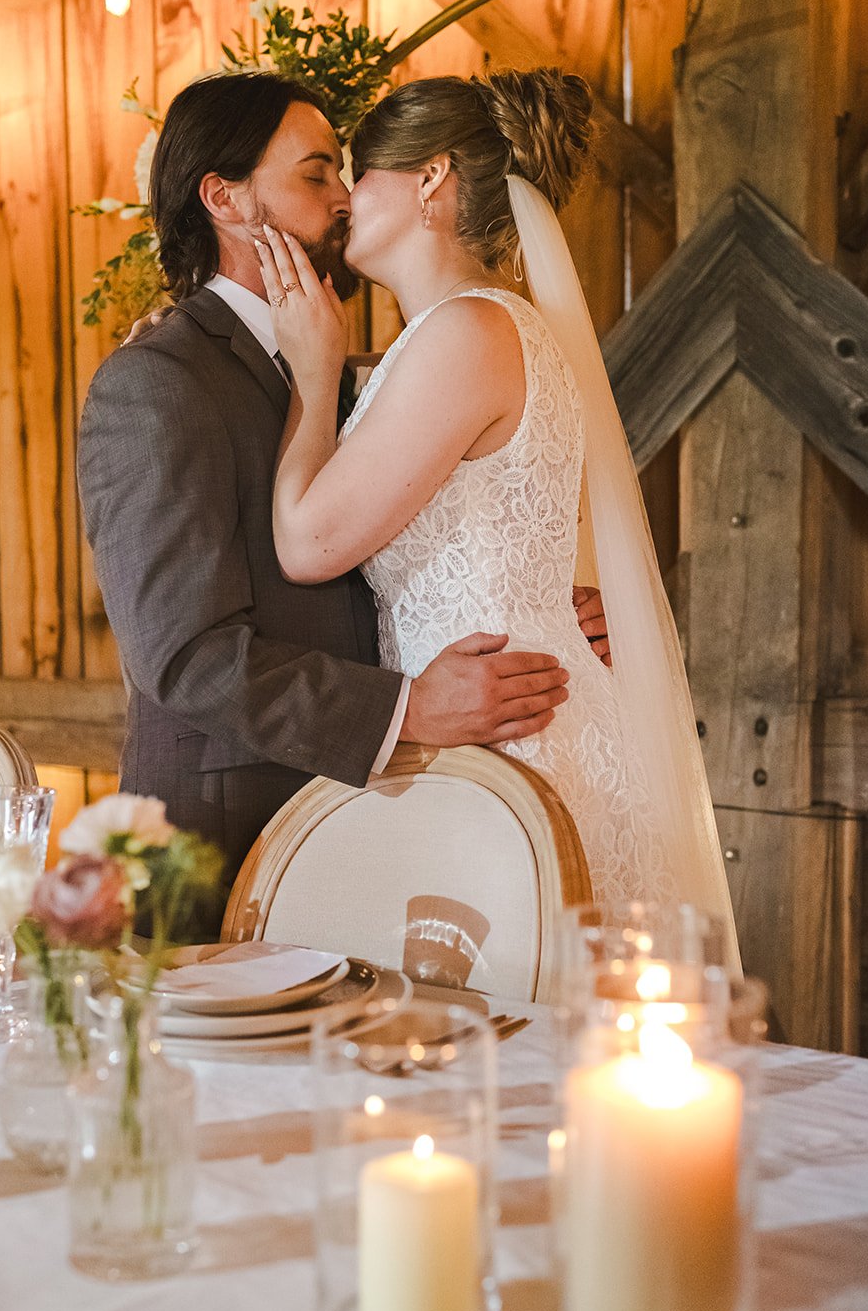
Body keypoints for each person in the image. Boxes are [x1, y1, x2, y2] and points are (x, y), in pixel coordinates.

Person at [78, 70, 603, 935]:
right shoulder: (156, 383)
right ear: (225, 197)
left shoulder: (369, 370)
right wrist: (406, 709)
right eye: (317, 174)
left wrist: (544, 604)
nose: (344, 198)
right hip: (223, 829)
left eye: (348, 174)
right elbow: (182, 657)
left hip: (380, 816)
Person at [261, 69, 738, 956]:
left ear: (431, 179)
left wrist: (315, 368)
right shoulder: (466, 334)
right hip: (489, 721)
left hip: (511, 744)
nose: (344, 201)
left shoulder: (464, 335)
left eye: (362, 172)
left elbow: (307, 541)